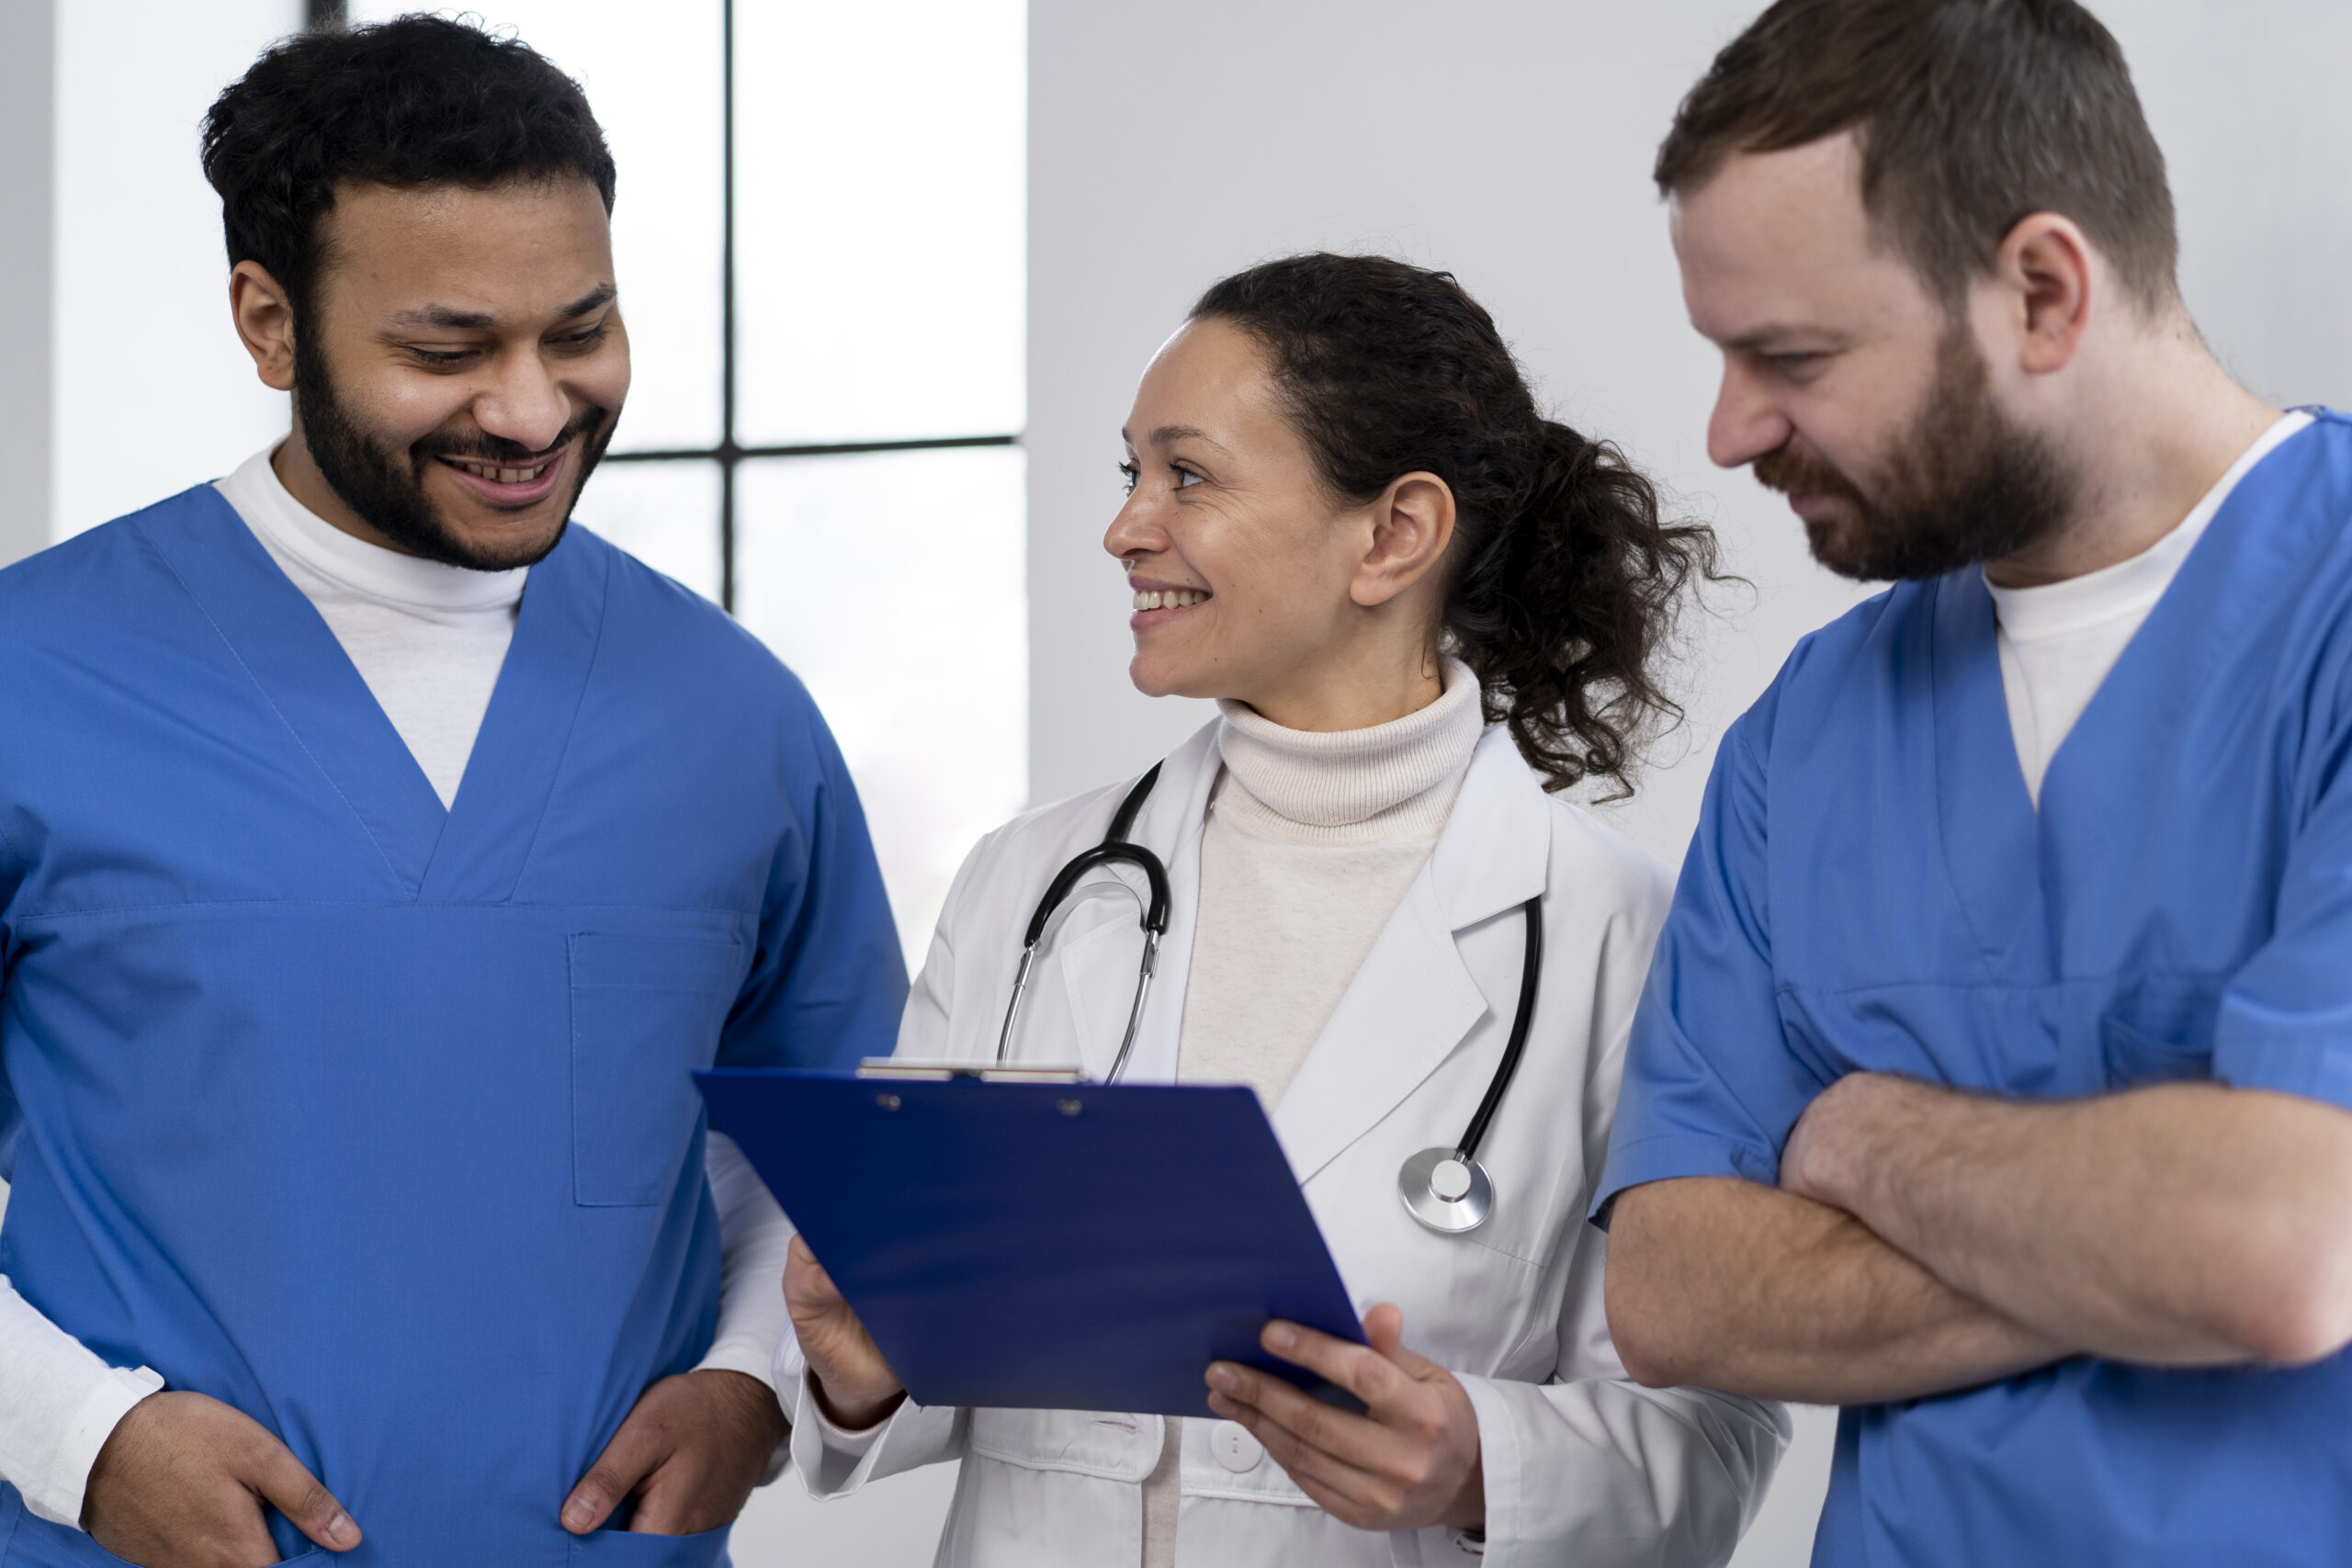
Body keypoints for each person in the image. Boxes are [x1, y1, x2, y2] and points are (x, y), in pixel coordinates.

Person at [0, 17, 905, 1565]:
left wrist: (751, 1382)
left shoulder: (732, 715)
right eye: (447, 351)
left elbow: (826, 1134)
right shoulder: (38, 671)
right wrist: (77, 1439)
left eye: (581, 332)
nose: (534, 410)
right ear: (270, 325)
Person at [779, 254, 1788, 1567]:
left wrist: (1488, 1465)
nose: (1126, 526)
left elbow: (1716, 1436)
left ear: (1394, 535)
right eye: (1130, 472)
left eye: (1186, 475)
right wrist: (866, 1365)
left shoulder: (1618, 936)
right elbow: (919, 1358)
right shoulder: (1035, 886)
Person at [1595, 1, 2352, 1563]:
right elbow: (1671, 1287)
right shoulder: (1807, 734)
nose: (1729, 430)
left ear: (2043, 290)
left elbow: (2279, 1245)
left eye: (1788, 355)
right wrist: (2138, 1225)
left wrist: (1863, 1142)